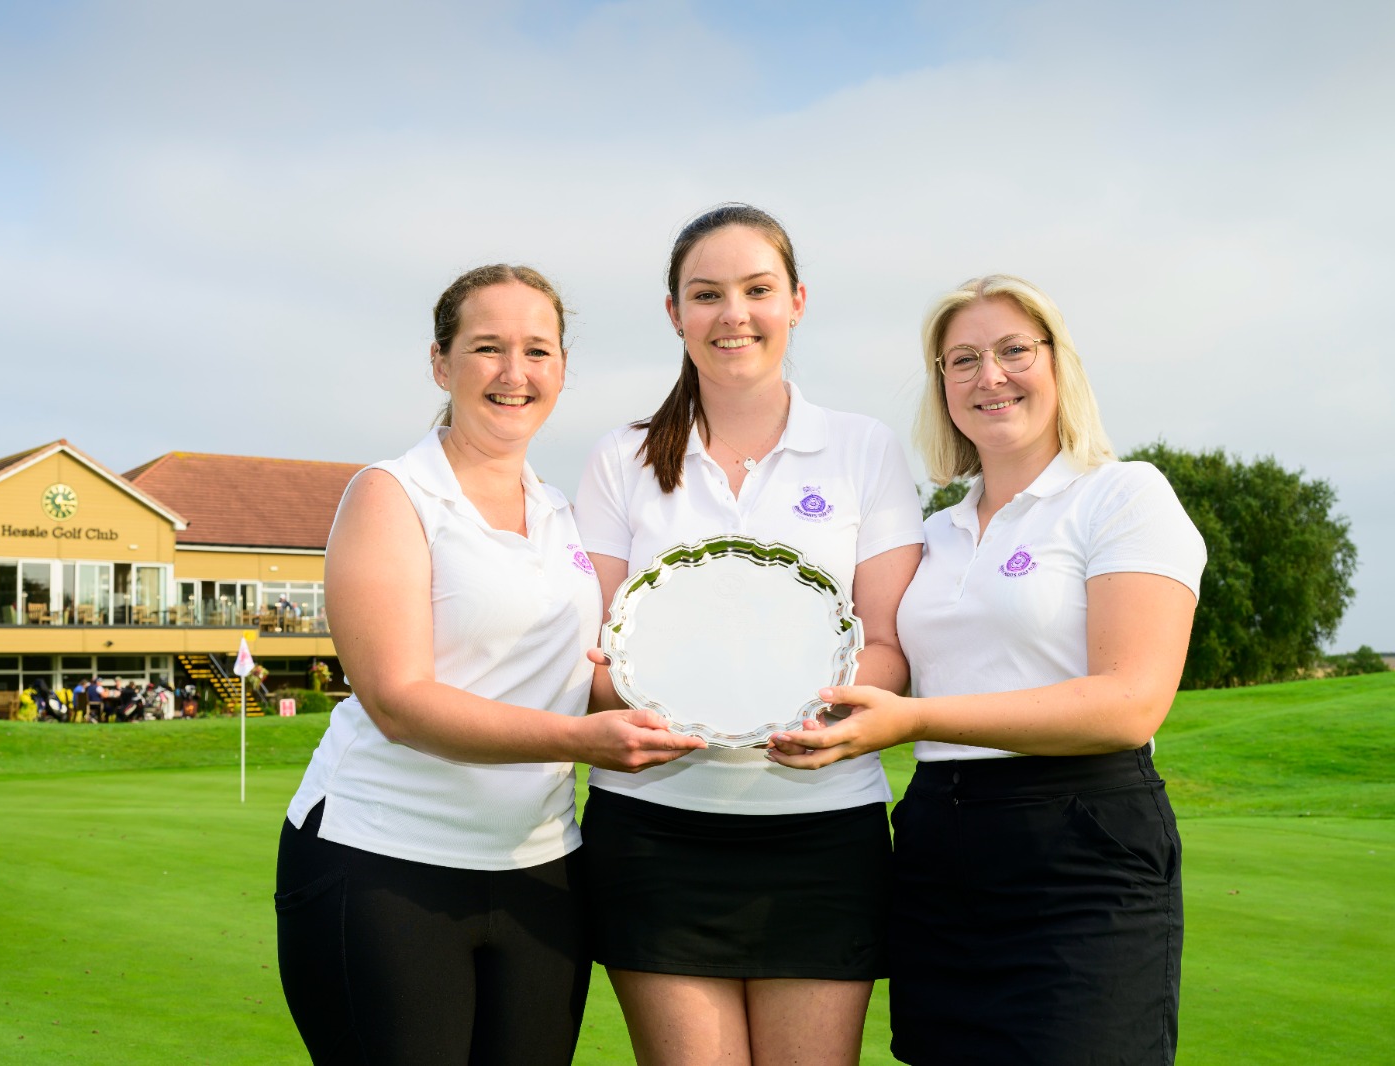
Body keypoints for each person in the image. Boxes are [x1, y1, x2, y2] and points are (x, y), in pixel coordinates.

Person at [768, 274, 1206, 1065]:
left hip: (1081, 850)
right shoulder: (935, 531)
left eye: (1012, 351)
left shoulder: (1122, 496)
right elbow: (862, 651)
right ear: (942, 386)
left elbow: (1129, 703)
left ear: (1058, 364)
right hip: (941, 846)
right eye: (962, 359)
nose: (989, 376)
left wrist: (917, 721)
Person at [274, 263, 705, 1066]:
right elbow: (399, 701)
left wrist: (725, 694)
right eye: (487, 348)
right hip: (383, 864)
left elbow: (586, 674)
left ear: (563, 370)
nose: (515, 374)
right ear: (441, 364)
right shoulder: (391, 495)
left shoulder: (560, 512)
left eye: (538, 351)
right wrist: (586, 742)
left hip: (540, 870)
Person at [575, 204, 926, 1064]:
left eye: (757, 289)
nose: (734, 314)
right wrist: (679, 710)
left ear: (797, 300)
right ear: (675, 314)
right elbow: (592, 659)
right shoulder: (618, 460)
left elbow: (887, 646)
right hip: (655, 831)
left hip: (822, 830)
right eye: (707, 294)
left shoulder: (863, 449)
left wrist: (812, 713)